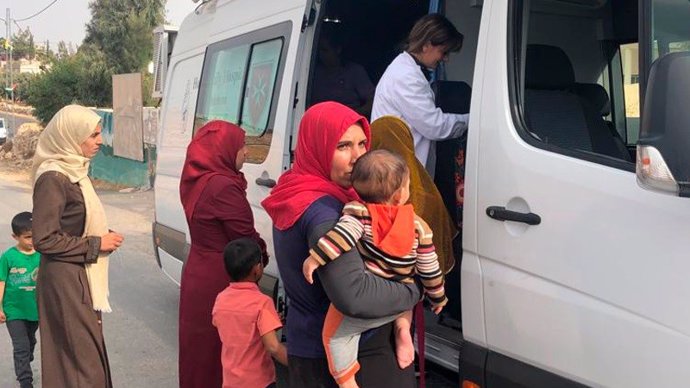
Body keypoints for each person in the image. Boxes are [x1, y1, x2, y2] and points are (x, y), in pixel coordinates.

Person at [262, 101, 421, 388]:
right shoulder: (326, 213)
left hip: (306, 345)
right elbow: (353, 295)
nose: (358, 157)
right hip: (345, 354)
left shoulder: (294, 189)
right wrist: (413, 289)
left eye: (362, 144)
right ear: (317, 147)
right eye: (343, 146)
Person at [302, 150, 447, 388]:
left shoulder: (358, 213)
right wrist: (437, 295)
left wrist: (316, 257)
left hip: (372, 299)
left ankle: (347, 382)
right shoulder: (420, 226)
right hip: (400, 301)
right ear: (401, 194)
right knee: (407, 291)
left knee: (335, 337)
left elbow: (342, 236)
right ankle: (402, 330)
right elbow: (429, 268)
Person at [31, 104, 124, 387]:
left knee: (82, 359)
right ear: (71, 136)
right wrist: (96, 243)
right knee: (81, 365)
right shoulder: (53, 177)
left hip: (76, 274)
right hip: (65, 281)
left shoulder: (74, 171)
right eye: (93, 135)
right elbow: (44, 238)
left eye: (99, 134)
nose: (99, 141)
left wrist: (99, 233)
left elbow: (71, 222)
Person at [178, 120, 269, 388]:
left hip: (198, 269)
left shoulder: (196, 177)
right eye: (242, 148)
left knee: (200, 352)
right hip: (223, 275)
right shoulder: (223, 187)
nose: (246, 153)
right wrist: (262, 257)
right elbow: (245, 238)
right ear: (225, 151)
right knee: (227, 354)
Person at [372, 13, 468, 175]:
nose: (446, 59)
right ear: (426, 45)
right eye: (444, 52)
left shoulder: (405, 69)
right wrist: (471, 120)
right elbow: (435, 126)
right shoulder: (406, 76)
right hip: (397, 174)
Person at [212, 238, 287, 388]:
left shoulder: (221, 299)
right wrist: (298, 363)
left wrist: (268, 324)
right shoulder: (262, 302)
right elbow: (272, 347)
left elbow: (228, 325)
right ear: (257, 269)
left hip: (231, 380)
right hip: (259, 382)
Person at [0, 212, 40, 388]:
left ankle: (25, 357)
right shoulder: (8, 257)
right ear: (15, 237)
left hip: (35, 309)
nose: (32, 241)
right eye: (27, 237)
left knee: (30, 341)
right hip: (14, 310)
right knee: (21, 346)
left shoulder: (42, 255)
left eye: (35, 236)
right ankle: (25, 381)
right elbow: (1, 282)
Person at [311, 24, 376, 117]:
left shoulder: (355, 72)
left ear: (338, 49)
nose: (321, 54)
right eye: (319, 50)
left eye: (325, 50)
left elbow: (373, 101)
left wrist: (352, 116)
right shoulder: (313, 74)